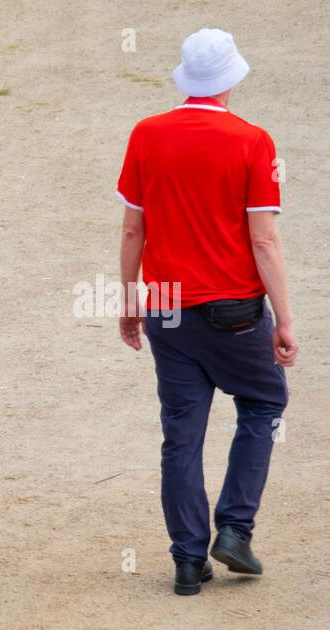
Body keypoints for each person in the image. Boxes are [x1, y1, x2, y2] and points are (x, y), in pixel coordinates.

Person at [116, 28, 297, 596]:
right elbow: (263, 241)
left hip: (167, 306)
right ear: (231, 80)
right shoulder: (253, 141)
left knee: (181, 435)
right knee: (265, 400)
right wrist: (285, 320)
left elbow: (132, 227)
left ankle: (188, 560)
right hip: (235, 310)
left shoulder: (147, 134)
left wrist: (128, 301)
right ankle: (235, 529)